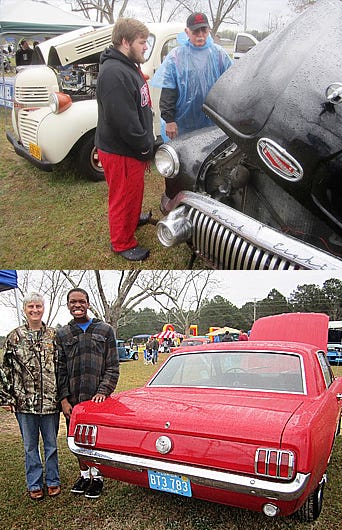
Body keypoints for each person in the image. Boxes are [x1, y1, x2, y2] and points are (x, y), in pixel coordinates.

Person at [95, 18, 155, 261]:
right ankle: (122, 242)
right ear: (124, 41)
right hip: (122, 150)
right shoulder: (114, 74)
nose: (145, 47)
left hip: (130, 148)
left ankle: (132, 219)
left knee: (133, 192)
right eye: (142, 42)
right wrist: (144, 148)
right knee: (122, 196)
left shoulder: (127, 65)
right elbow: (125, 123)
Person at [57, 288, 120, 499]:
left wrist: (103, 391)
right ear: (67, 305)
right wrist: (64, 400)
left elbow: (113, 367)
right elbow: (60, 369)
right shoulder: (63, 333)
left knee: (97, 439)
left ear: (88, 303)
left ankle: (98, 477)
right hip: (75, 401)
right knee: (77, 439)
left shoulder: (105, 330)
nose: (77, 305)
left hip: (98, 399)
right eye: (73, 302)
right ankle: (84, 475)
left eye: (81, 301)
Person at [0, 293, 61, 501]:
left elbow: (61, 367)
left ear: (43, 308)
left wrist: (63, 395)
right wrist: (6, 397)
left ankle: (53, 481)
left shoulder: (53, 335)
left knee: (51, 445)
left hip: (51, 402)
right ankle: (34, 483)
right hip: (24, 402)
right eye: (31, 307)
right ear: (25, 310)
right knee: (30, 446)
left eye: (38, 306)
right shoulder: (14, 336)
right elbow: (5, 369)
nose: (35, 310)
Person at [151, 12, 232, 139]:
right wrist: (169, 120)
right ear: (187, 31)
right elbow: (168, 92)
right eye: (195, 31)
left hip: (212, 122)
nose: (200, 35)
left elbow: (231, 85)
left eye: (204, 30)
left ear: (209, 30)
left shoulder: (219, 55)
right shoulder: (176, 57)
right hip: (182, 123)